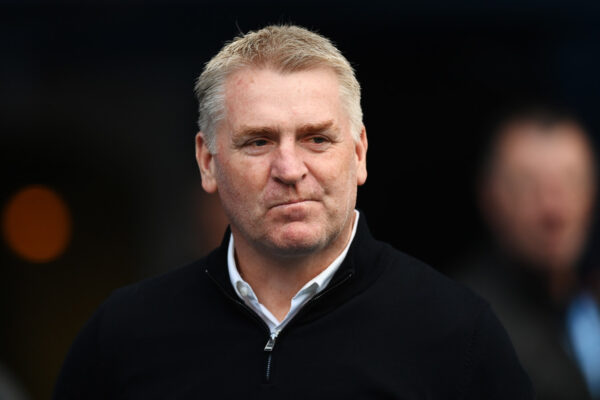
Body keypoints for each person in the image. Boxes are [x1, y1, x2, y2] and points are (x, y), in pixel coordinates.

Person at [53, 25, 533, 399]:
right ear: (207, 162)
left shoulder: (457, 334)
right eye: (258, 141)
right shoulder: (124, 336)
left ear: (360, 153)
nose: (289, 168)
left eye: (317, 139)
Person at [455, 105, 600, 399]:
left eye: (572, 182)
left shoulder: (581, 301)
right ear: (490, 198)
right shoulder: (466, 331)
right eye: (527, 186)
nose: (555, 211)